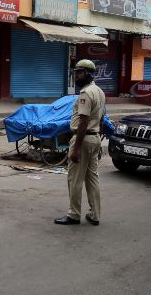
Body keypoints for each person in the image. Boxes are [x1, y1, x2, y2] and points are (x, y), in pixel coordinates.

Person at [54, 60, 105, 226]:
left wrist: (76, 148)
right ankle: (95, 214)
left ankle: (74, 214)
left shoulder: (86, 93)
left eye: (79, 73)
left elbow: (83, 121)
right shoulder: (99, 92)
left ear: (88, 74)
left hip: (82, 139)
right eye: (76, 73)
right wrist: (98, 138)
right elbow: (102, 118)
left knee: (74, 179)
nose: (76, 76)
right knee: (92, 178)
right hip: (94, 137)